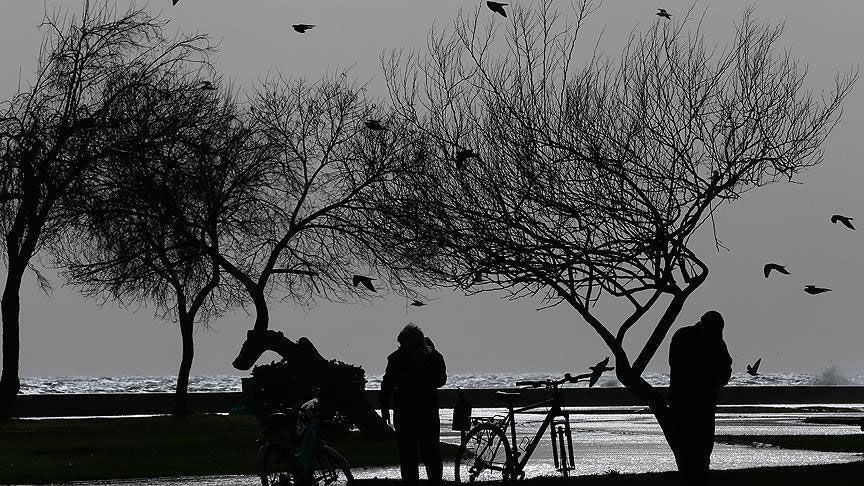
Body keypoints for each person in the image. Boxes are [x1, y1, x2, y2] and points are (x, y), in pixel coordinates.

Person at [668, 310, 733, 484]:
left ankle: (699, 470)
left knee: (700, 439)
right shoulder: (685, 336)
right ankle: (694, 471)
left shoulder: (715, 341)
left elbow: (725, 370)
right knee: (690, 438)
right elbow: (678, 367)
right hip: (687, 398)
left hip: (699, 398)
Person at [380, 323, 447, 486]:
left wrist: (385, 409)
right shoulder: (434, 356)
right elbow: (441, 380)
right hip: (428, 409)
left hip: (404, 410)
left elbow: (386, 385)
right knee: (431, 451)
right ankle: (435, 481)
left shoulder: (395, 358)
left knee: (407, 454)